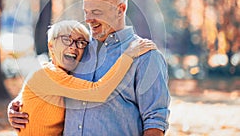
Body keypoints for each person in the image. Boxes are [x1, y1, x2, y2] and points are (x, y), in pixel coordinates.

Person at [8, 0, 170, 136]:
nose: (88, 19)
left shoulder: (146, 55)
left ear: (120, 10)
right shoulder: (78, 50)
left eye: (96, 11)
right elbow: (51, 77)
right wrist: (18, 105)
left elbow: (155, 122)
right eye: (86, 11)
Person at [11, 19, 156, 135]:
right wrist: (128, 55)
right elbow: (98, 92)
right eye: (66, 40)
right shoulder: (46, 74)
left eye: (81, 42)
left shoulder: (64, 75)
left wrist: (15, 104)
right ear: (51, 45)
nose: (74, 47)